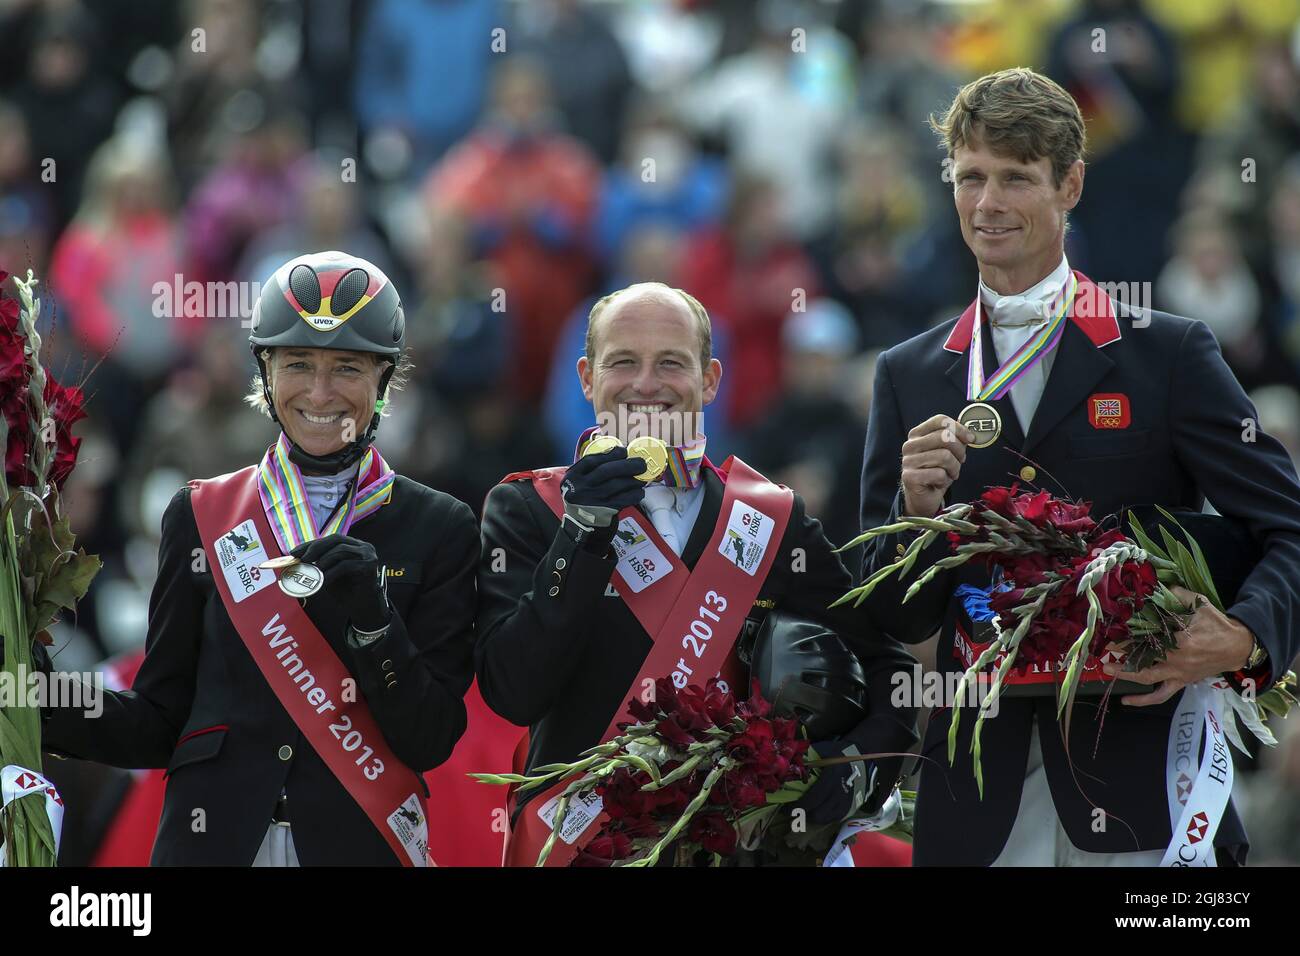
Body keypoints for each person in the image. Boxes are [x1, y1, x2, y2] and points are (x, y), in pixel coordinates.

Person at [858, 68, 1300, 866]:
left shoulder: (1167, 352)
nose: (987, 204)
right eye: (971, 178)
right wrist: (912, 512)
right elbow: (885, 616)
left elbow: (1288, 528)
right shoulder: (910, 371)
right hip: (980, 796)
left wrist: (1241, 640)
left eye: (1016, 179)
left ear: (1071, 184)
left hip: (1147, 776)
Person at [38, 251, 479, 865]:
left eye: (347, 368)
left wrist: (375, 628)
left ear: (383, 380)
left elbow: (430, 738)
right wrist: (40, 697)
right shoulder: (199, 514)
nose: (320, 392)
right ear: (265, 371)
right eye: (297, 363)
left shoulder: (443, 528)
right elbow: (162, 718)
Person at [476, 280, 917, 866]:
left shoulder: (768, 517)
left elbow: (891, 670)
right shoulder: (529, 510)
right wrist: (581, 535)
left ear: (710, 379)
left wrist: (856, 769)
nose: (646, 384)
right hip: (585, 850)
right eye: (623, 362)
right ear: (586, 377)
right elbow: (513, 691)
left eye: (671, 364)